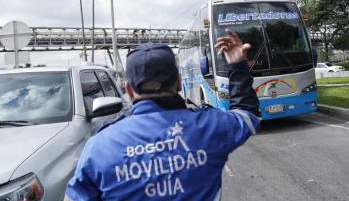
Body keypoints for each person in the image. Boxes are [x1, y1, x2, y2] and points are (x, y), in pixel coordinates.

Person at [65, 29, 261, 201]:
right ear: (178, 82)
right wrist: (237, 66)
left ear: (129, 90)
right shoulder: (211, 126)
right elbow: (247, 116)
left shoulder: (98, 147)